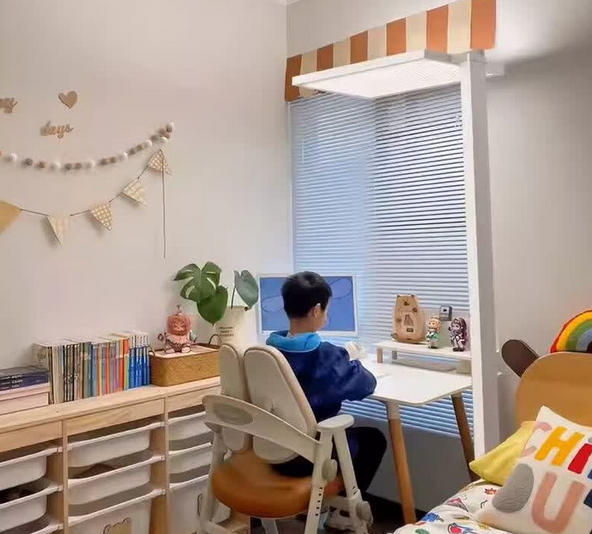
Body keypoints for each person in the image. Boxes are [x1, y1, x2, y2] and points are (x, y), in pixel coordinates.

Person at [266, 271, 387, 530]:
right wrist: (351, 359)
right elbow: (366, 385)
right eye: (326, 310)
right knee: (374, 440)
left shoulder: (267, 352)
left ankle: (324, 509)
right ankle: (341, 512)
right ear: (316, 310)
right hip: (307, 459)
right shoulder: (327, 357)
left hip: (271, 454)